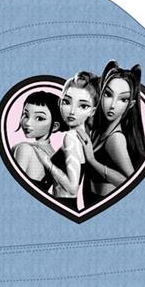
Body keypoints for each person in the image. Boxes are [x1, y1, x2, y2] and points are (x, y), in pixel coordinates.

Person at [78, 61, 145, 207]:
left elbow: (132, 182)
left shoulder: (115, 139)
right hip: (91, 201)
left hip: (106, 206)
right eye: (108, 95)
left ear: (130, 104)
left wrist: (92, 161)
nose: (113, 105)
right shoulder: (97, 131)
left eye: (123, 99)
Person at [33, 72, 99, 210]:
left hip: (64, 204)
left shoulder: (71, 137)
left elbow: (72, 188)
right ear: (60, 102)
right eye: (67, 102)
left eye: (83, 106)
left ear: (92, 111)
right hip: (67, 205)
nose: (72, 111)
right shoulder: (85, 136)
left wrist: (47, 162)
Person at [11, 91, 66, 192]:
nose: (27, 123)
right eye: (25, 115)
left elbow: (13, 188)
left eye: (39, 118)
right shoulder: (54, 156)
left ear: (55, 126)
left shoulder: (25, 149)